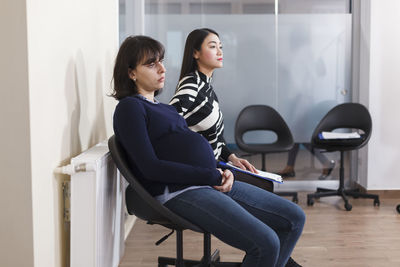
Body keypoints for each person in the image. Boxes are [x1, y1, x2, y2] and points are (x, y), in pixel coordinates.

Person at [111, 35, 305, 267]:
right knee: (266, 243)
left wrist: (223, 169)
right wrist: (210, 175)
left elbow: (181, 151)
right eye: (151, 64)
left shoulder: (164, 109)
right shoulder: (130, 108)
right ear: (131, 72)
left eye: (161, 61)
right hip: (179, 192)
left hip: (209, 181)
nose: (162, 68)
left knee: (294, 217)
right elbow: (150, 167)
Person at [169, 28, 273, 193]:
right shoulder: (191, 84)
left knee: (264, 183)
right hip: (204, 172)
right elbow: (168, 123)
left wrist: (232, 157)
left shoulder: (207, 88)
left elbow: (215, 138)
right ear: (195, 53)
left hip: (215, 166)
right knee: (264, 186)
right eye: (212, 46)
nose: (219, 51)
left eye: (221, 47)